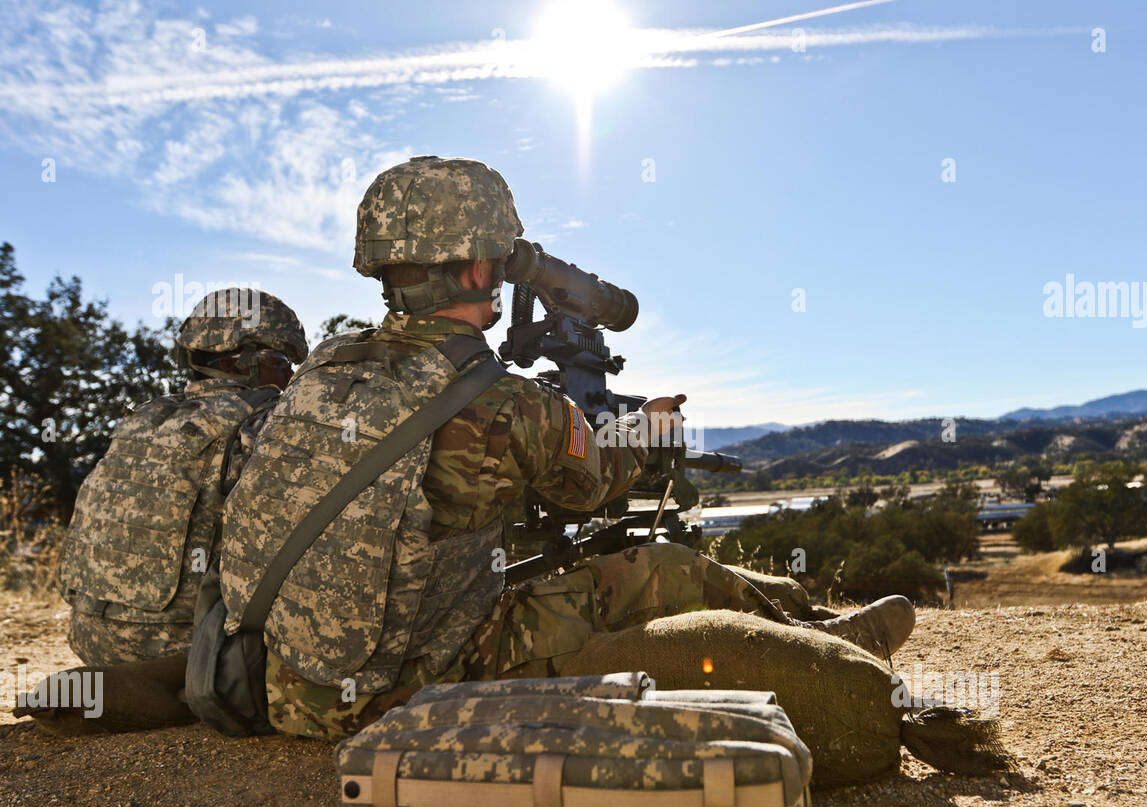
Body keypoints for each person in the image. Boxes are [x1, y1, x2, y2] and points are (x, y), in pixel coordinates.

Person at [219, 156, 916, 740]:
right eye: (499, 258)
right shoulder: (506, 401)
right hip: (393, 694)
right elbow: (596, 483)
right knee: (665, 568)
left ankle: (811, 613)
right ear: (474, 273)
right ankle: (830, 650)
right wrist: (644, 428)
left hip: (282, 687)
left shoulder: (327, 367)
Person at [55, 288, 307, 667]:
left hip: (90, 639)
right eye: (283, 359)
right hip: (182, 651)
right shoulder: (258, 425)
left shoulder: (145, 416)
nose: (290, 375)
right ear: (239, 362)